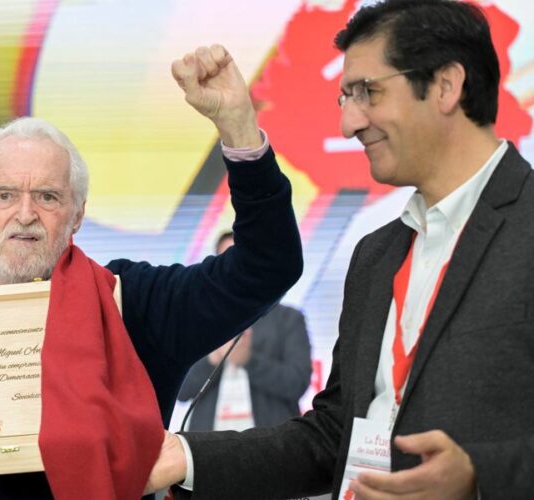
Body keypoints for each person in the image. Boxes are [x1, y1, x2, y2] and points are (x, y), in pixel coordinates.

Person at [0, 43, 304, 498]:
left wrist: (239, 129)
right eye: (5, 195)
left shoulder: (133, 303)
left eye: (48, 197)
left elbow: (267, 266)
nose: (26, 213)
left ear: (77, 214)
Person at [148, 1, 534, 498]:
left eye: (368, 92)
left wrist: (482, 476)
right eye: (345, 97)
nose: (349, 123)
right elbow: (333, 437)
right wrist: (185, 455)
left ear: (445, 85)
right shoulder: (377, 256)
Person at [173, 231, 311, 433]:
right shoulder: (200, 318)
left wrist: (249, 360)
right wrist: (213, 358)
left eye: (244, 260)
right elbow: (182, 391)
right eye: (227, 261)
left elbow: (296, 384)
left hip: (268, 446)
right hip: (208, 448)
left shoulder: (288, 319)